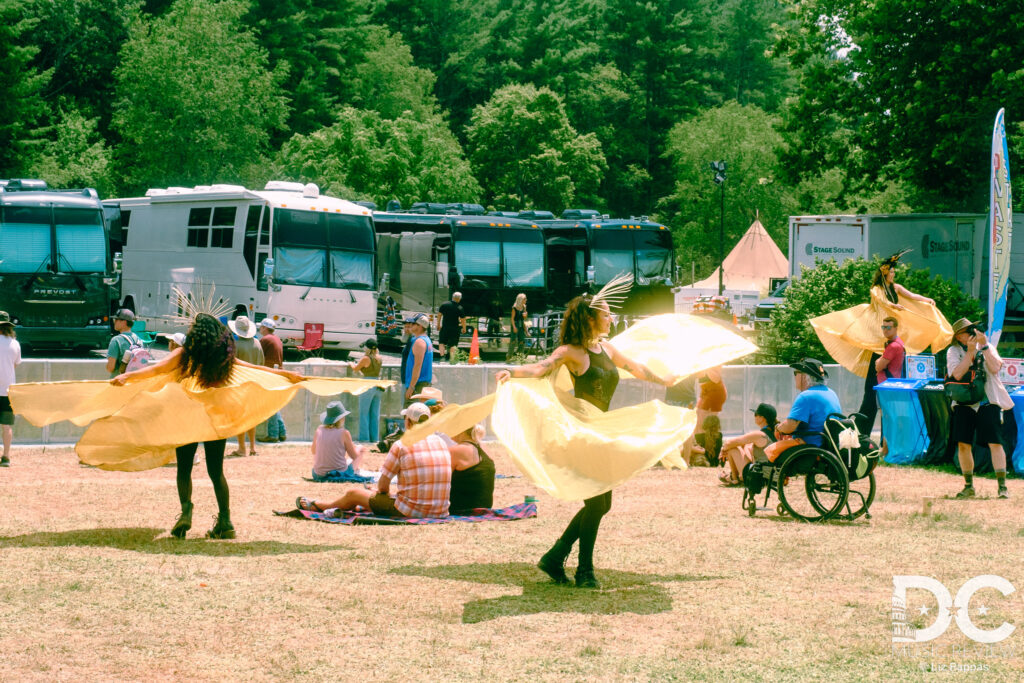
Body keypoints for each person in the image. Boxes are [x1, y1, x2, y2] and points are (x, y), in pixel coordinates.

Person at [495, 292, 677, 589]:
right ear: (589, 318)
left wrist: (666, 379)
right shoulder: (572, 352)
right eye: (605, 314)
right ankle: (584, 570)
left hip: (601, 430)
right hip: (582, 432)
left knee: (602, 503)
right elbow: (540, 368)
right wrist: (511, 371)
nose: (610, 318)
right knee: (597, 503)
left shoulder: (608, 349)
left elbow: (637, 369)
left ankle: (555, 556)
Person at [111, 313, 304, 539]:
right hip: (214, 420)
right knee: (216, 472)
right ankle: (225, 521)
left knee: (184, 469)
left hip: (187, 419)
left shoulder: (185, 354)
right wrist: (285, 374)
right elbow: (254, 369)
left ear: (197, 332)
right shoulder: (222, 357)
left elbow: (158, 369)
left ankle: (186, 512)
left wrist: (127, 378)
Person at [811, 250, 952, 435]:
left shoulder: (896, 288)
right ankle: (863, 433)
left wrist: (927, 300)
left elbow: (912, 296)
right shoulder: (877, 289)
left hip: (889, 348)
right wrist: (894, 306)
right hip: (878, 344)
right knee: (871, 394)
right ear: (884, 273)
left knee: (884, 396)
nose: (893, 274)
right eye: (891, 272)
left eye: (894, 272)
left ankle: (882, 437)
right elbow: (881, 300)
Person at [296, 403, 452, 518]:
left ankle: (319, 505)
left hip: (411, 511)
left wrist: (382, 495)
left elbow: (383, 487)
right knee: (370, 496)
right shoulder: (441, 442)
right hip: (440, 510)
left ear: (408, 422)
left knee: (353, 493)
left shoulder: (401, 445)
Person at [946, 318, 1014, 499]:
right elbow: (957, 374)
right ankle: (968, 486)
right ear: (959, 337)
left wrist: (983, 347)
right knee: (963, 444)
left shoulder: (987, 347)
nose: (971, 333)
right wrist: (969, 353)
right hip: (964, 402)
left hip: (987, 400)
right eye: (967, 331)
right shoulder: (953, 351)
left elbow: (995, 368)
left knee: (995, 442)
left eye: (972, 330)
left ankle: (1002, 486)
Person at [766, 358, 842, 461]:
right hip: (828, 446)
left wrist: (778, 428)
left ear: (804, 376)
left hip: (810, 447)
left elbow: (790, 427)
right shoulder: (831, 393)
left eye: (796, 373)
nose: (795, 376)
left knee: (770, 451)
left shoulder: (806, 396)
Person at [228, 316, 264, 457]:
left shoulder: (236, 346)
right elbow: (261, 363)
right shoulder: (257, 344)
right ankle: (253, 447)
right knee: (251, 417)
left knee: (240, 417)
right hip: (254, 385)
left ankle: (242, 448)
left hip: (239, 386)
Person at [719, 403, 777, 485]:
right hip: (771, 476)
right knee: (742, 446)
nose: (754, 416)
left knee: (732, 448)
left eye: (756, 414)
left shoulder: (760, 435)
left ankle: (734, 478)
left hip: (760, 477)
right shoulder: (773, 433)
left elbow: (729, 443)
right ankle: (733, 476)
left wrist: (722, 450)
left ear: (763, 418)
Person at [311, 401, 366, 481]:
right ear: (342, 418)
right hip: (339, 473)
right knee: (361, 449)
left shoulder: (319, 429)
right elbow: (354, 456)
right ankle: (355, 469)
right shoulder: (344, 433)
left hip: (318, 474)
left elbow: (313, 451)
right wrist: (357, 448)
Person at [448, 424, 495, 514]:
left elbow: (443, 480)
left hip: (462, 508)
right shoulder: (484, 448)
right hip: (485, 506)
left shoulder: (456, 451)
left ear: (460, 430)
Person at [257, 319, 287, 443]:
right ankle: (282, 432)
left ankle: (273, 434)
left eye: (261, 327)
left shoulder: (265, 340)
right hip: (277, 373)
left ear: (265, 328)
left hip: (269, 374)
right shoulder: (277, 339)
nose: (260, 329)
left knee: (270, 404)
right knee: (274, 404)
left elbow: (258, 355)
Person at [349, 337, 383, 442]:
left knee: (364, 413)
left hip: (367, 385)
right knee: (374, 414)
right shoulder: (379, 358)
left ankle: (364, 439)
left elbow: (355, 369)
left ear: (367, 348)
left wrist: (351, 363)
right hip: (377, 384)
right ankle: (374, 438)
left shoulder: (366, 358)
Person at [0, 312, 22, 467]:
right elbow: (15, 364)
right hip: (8, 391)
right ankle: (6, 457)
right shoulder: (15, 343)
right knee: (6, 426)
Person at [405, 314, 433, 403]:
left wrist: (411, 387)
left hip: (417, 385)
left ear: (420, 326)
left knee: (411, 415)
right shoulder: (426, 340)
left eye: (413, 324)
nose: (410, 326)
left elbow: (417, 366)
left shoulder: (419, 342)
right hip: (423, 383)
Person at [106, 309, 142, 378]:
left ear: (124, 322)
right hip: (134, 381)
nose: (114, 322)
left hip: (119, 381)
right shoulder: (139, 340)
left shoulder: (116, 340)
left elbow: (110, 368)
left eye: (116, 320)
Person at [438, 292, 466, 359]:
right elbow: (463, 320)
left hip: (445, 327)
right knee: (453, 344)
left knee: (442, 342)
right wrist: (464, 328)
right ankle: (452, 358)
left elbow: (439, 315)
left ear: (452, 297)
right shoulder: (460, 308)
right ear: (459, 299)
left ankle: (442, 357)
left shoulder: (444, 305)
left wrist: (438, 324)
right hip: (455, 328)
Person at [507, 293, 528, 360]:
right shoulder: (514, 308)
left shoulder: (524, 307)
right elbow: (512, 318)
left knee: (522, 340)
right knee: (513, 341)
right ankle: (509, 356)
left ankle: (519, 355)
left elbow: (524, 318)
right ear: (521, 299)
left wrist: (525, 316)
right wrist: (514, 327)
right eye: (525, 299)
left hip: (521, 324)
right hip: (515, 324)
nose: (526, 300)